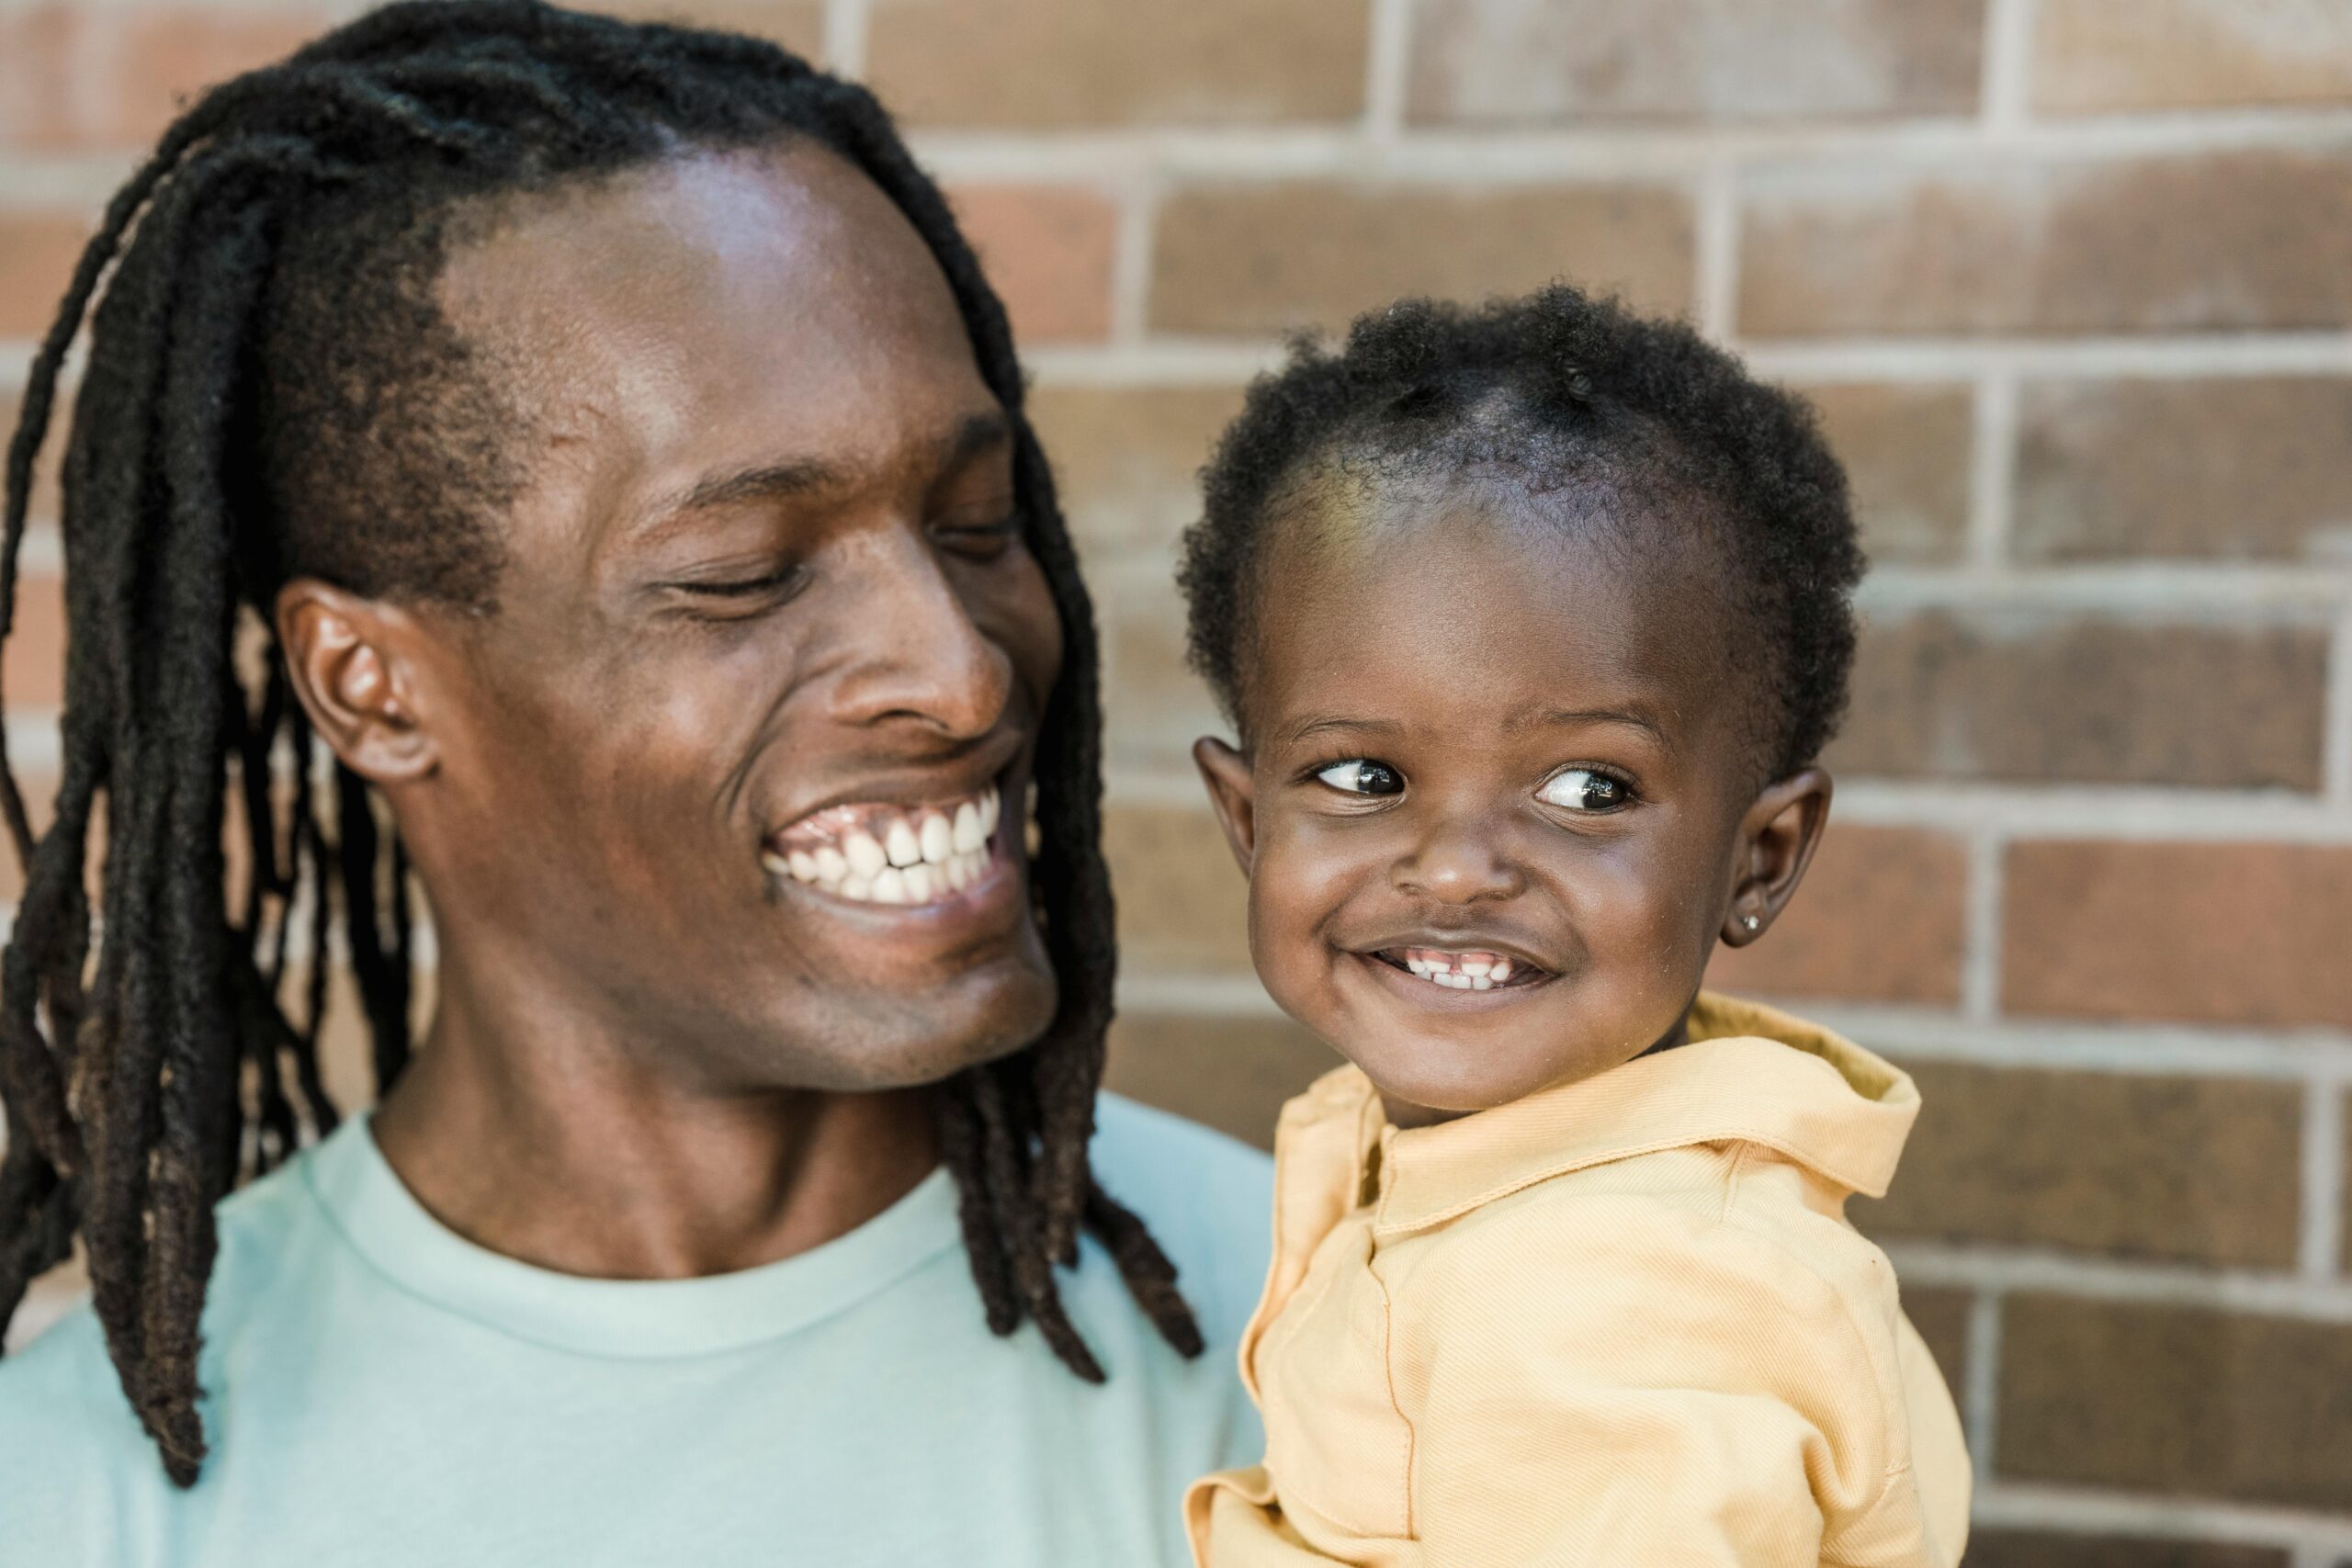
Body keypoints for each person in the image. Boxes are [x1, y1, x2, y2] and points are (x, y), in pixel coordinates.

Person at [0, 4, 1270, 1562]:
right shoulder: (80, 1500)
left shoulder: (1354, 1328)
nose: (964, 673)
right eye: (741, 574)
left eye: (978, 518)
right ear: (369, 685)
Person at [1176, 287, 1972, 1565]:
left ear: (1758, 857)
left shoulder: (1611, 1304)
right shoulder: (1510, 1191)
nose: (1453, 870)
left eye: (1587, 790)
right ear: (1245, 822)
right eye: (1363, 778)